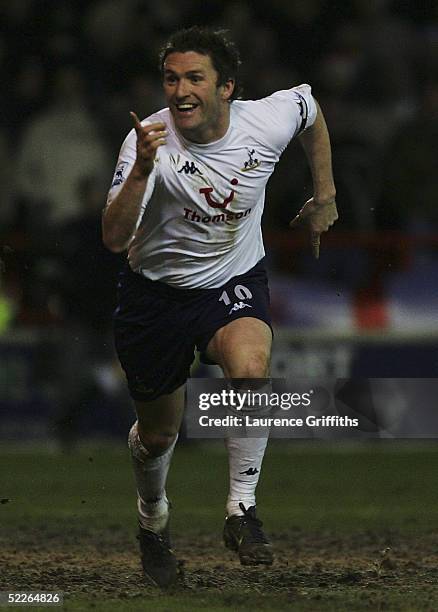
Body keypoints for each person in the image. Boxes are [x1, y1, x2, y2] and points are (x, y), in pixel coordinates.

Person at [102, 26, 337, 588]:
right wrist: (139, 172)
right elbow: (112, 238)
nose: (179, 90)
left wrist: (325, 195)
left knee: (251, 369)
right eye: (170, 78)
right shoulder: (148, 142)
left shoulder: (267, 119)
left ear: (226, 87)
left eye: (193, 78)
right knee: (159, 435)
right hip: (154, 296)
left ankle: (242, 510)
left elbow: (310, 111)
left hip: (232, 279)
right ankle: (153, 521)